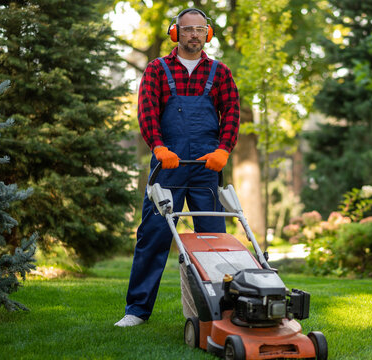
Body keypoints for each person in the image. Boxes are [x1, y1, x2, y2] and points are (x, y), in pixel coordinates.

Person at [115, 8, 240, 327]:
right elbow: (147, 111)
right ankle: (137, 311)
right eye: (187, 30)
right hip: (167, 167)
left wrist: (224, 150)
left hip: (205, 167)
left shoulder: (220, 72)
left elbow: (233, 113)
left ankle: (220, 312)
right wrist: (158, 146)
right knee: (153, 235)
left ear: (208, 34)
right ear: (176, 33)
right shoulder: (158, 69)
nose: (194, 35)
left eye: (200, 29)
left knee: (213, 240)